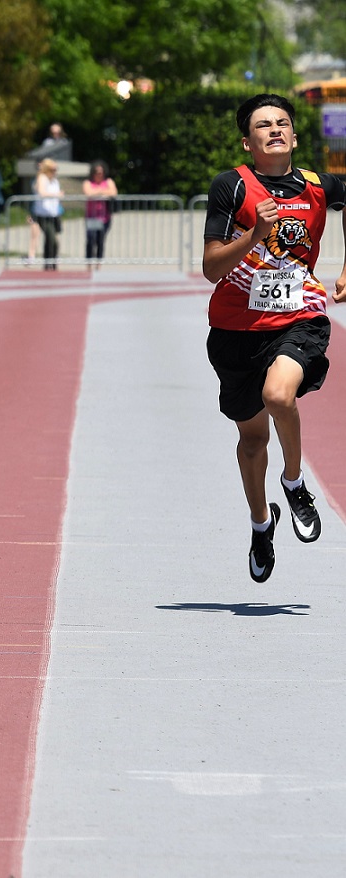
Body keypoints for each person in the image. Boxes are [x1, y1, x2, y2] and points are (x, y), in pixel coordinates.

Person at [202, 93, 346, 582]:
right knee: (251, 439)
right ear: (249, 140)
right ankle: (261, 525)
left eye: (283, 123)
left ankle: (295, 481)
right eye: (264, 125)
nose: (275, 129)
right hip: (235, 329)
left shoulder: (318, 186)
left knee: (278, 394)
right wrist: (253, 235)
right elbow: (211, 268)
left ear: (295, 137)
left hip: (298, 316)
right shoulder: (232, 187)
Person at [82, 160, 118, 267]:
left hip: (104, 217)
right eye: (97, 172)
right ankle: (88, 263)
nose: (100, 174)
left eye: (101, 172)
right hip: (92, 216)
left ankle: (99, 262)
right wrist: (103, 191)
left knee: (100, 240)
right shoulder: (88, 183)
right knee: (90, 239)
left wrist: (98, 191)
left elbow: (113, 192)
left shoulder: (109, 181)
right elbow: (88, 193)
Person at [31, 158, 63, 270]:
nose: (55, 172)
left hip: (54, 214)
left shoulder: (55, 181)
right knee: (52, 239)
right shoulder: (42, 178)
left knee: (50, 240)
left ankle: (51, 264)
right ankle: (48, 262)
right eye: (53, 169)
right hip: (43, 215)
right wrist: (56, 194)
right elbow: (42, 192)